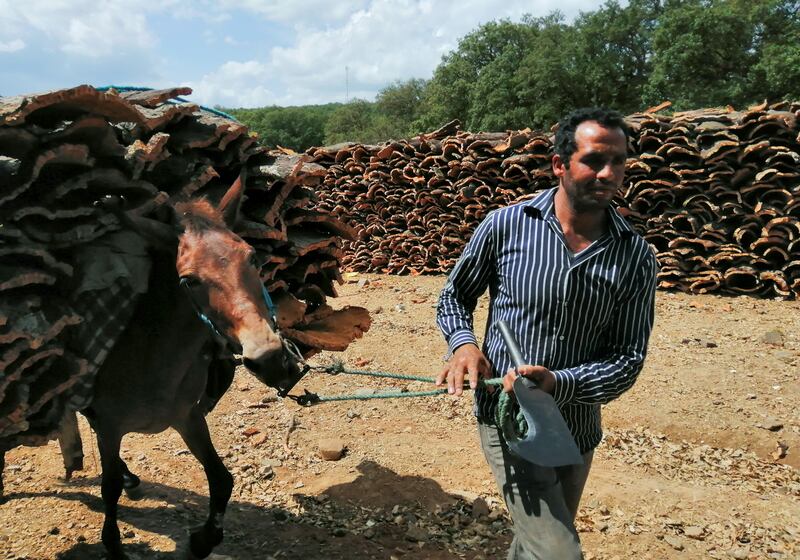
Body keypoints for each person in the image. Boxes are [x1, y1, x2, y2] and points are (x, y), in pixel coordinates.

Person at [436, 107, 657, 559]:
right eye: (594, 160)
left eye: (618, 161)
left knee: (540, 540)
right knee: (558, 551)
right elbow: (453, 296)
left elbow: (628, 358)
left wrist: (561, 383)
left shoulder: (635, 256)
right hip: (509, 418)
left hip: (576, 427)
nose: (609, 173)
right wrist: (464, 345)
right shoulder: (507, 226)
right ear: (560, 164)